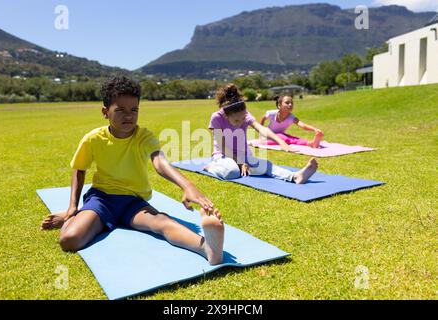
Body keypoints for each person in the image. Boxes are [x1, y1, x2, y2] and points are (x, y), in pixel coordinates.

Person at [41, 76, 224, 265]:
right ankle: (71, 216)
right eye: (120, 110)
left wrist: (187, 185)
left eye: (134, 110)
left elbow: (160, 162)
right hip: (101, 200)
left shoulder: (144, 137)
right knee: (68, 240)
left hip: (133, 203)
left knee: (161, 222)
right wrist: (72, 208)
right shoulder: (93, 139)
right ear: (105, 112)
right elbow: (79, 170)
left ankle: (207, 248)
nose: (128, 116)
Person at [204, 84, 318, 183]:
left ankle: (294, 177)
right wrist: (239, 162)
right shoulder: (217, 118)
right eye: (237, 121)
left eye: (243, 118)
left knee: (266, 165)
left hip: (243, 155)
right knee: (232, 171)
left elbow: (263, 129)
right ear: (226, 115)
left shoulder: (244, 114)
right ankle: (212, 167)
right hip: (223, 156)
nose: (241, 122)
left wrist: (282, 142)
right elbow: (223, 147)